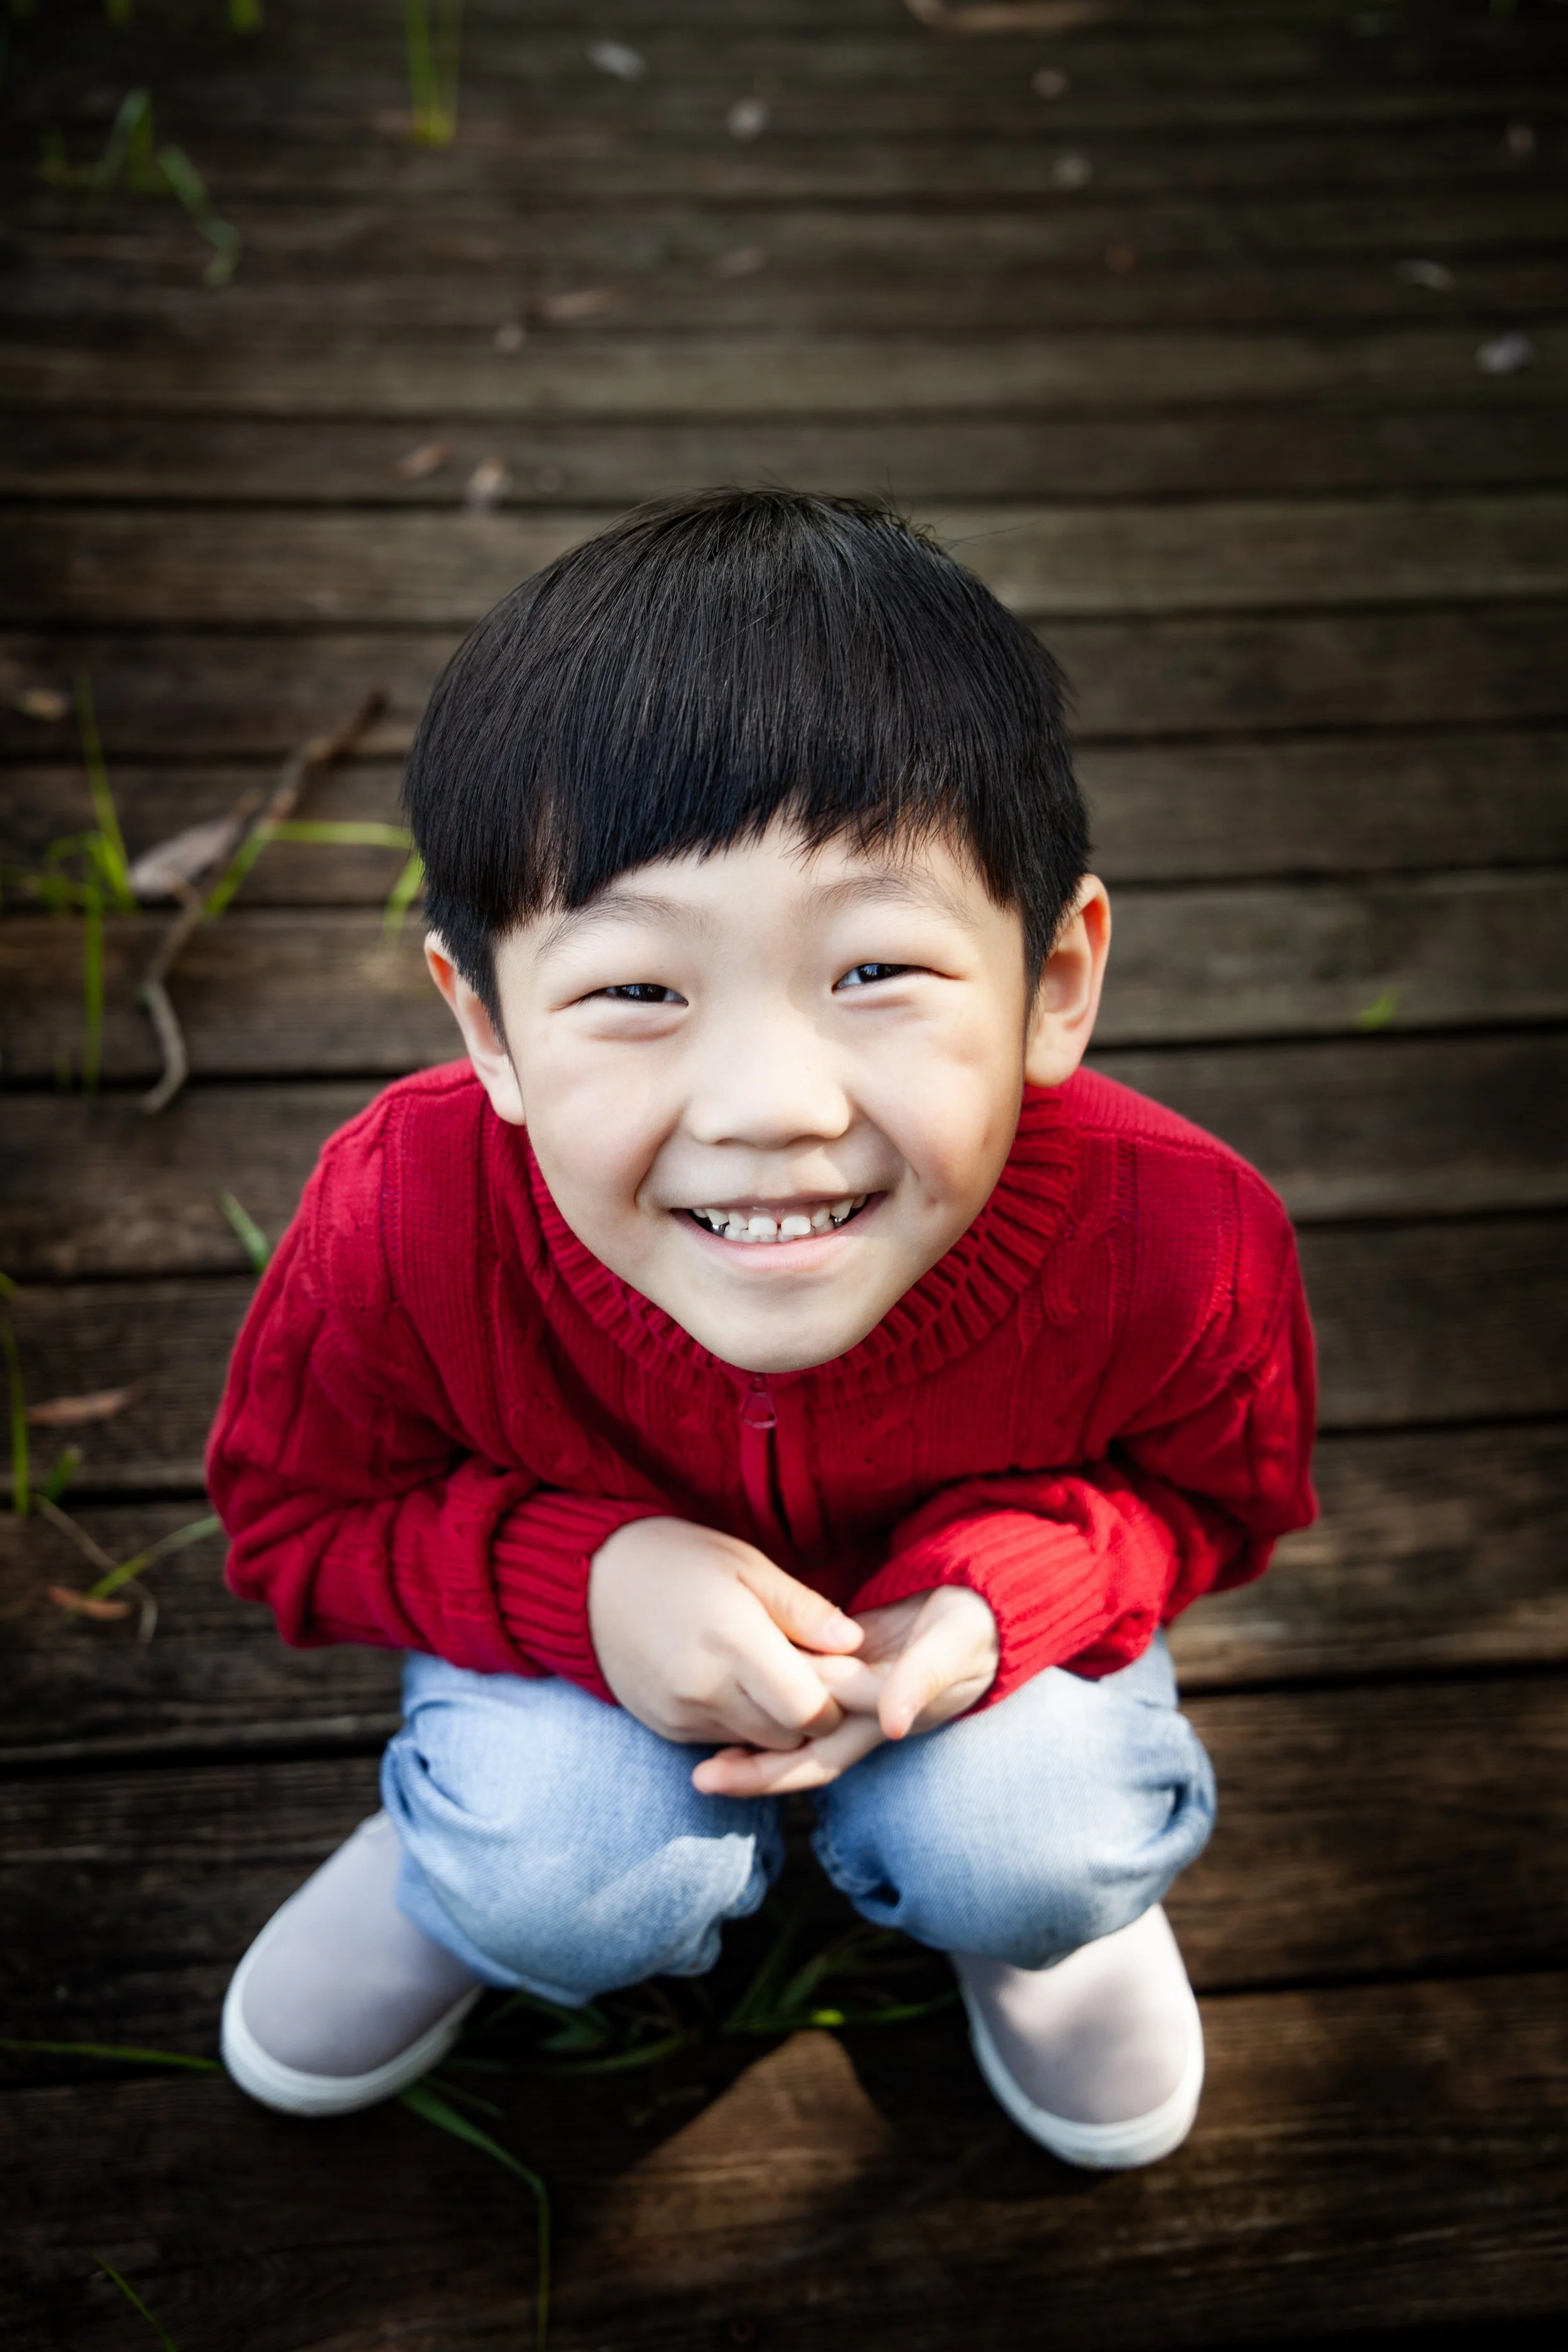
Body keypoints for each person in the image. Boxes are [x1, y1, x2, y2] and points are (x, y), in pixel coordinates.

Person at [209, 490, 1315, 2168]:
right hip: (569, 1665)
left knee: (1032, 1847)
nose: (770, 1105)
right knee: (556, 1874)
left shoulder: (1180, 1239)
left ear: (1054, 982)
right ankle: (460, 1860)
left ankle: (1008, 1915)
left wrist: (997, 1603)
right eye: (635, 991)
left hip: (977, 1672)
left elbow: (1218, 1504)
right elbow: (295, 1519)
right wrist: (580, 1586)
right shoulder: (403, 1218)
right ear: (486, 1025)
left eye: (876, 971)